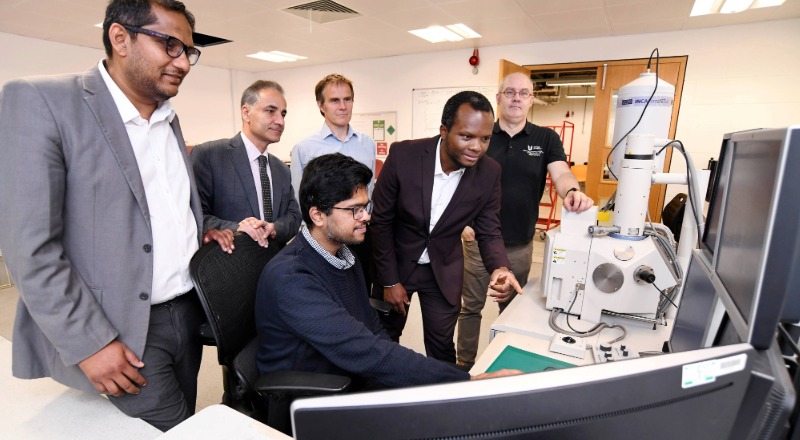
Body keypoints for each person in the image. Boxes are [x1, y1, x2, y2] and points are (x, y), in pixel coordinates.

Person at [0, 0, 233, 431]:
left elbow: (161, 211)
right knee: (175, 428)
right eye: (170, 45)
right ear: (120, 38)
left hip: (186, 311)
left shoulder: (167, 117)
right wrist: (89, 343)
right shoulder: (44, 101)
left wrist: (203, 232)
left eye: (188, 51)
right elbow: (29, 248)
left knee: (180, 421)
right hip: (121, 325)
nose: (182, 62)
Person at [255, 153, 519, 389]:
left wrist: (443, 377)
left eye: (365, 206)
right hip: (315, 391)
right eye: (354, 210)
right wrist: (466, 381)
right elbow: (364, 350)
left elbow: (372, 331)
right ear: (317, 216)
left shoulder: (345, 255)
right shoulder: (292, 279)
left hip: (349, 371)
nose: (366, 216)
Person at [370, 91, 523, 363]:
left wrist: (500, 267)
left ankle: (444, 402)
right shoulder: (404, 155)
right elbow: (381, 221)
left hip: (442, 272)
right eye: (467, 136)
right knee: (384, 339)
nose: (477, 147)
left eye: (485, 138)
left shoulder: (489, 172)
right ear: (444, 130)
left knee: (441, 348)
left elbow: (489, 229)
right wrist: (389, 279)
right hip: (395, 265)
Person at [456, 72, 594, 368]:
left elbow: (561, 173)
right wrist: (461, 223)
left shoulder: (545, 138)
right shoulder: (482, 134)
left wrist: (573, 191)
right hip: (477, 242)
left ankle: (504, 365)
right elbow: (457, 181)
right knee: (471, 308)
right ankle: (463, 367)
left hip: (519, 244)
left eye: (523, 93)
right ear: (498, 97)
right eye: (509, 92)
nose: (516, 97)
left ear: (531, 99)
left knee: (513, 309)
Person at [290, 73, 377, 291]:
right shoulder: (305, 148)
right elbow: (299, 199)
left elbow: (370, 190)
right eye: (334, 100)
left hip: (360, 235)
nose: (342, 106)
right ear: (321, 105)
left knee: (361, 291)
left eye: (347, 99)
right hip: (325, 240)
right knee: (330, 294)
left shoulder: (367, 144)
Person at [191, 80, 301, 249]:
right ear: (246, 113)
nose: (280, 121)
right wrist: (238, 228)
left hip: (273, 265)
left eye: (283, 114)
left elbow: (293, 216)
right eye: (270, 111)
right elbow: (194, 215)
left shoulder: (281, 169)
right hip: (230, 265)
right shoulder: (209, 155)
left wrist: (273, 229)